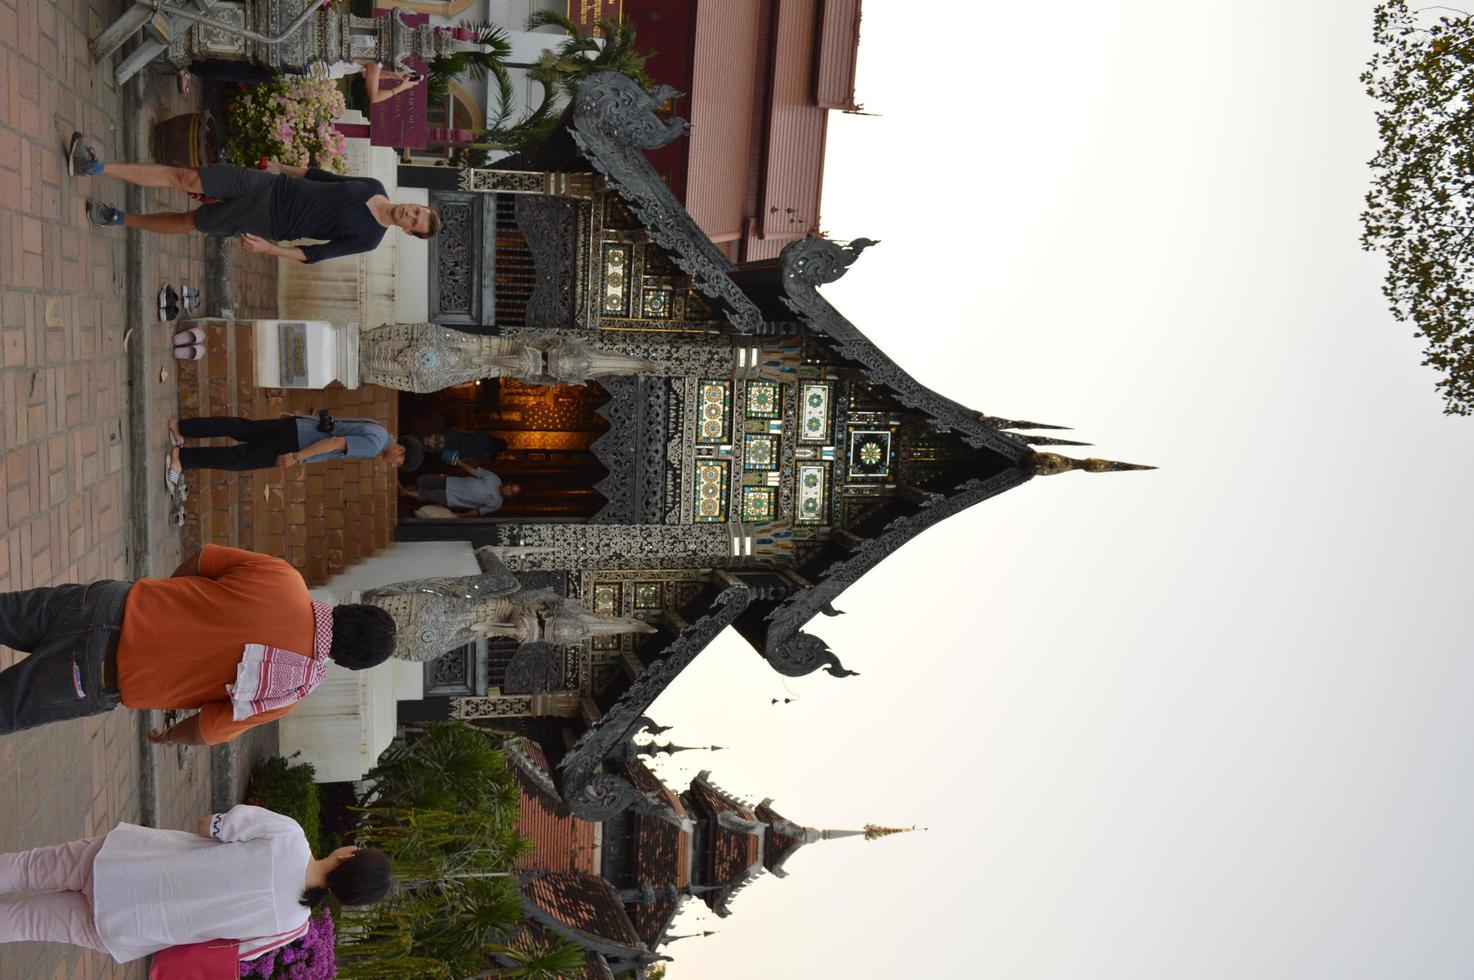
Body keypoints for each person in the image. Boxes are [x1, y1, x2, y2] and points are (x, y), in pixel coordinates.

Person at [0, 544, 397, 744]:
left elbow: (203, 557)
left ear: (349, 608)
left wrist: (167, 597)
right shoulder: (287, 689)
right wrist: (169, 737)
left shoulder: (284, 578)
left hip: (106, 602)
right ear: (345, 662)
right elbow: (207, 731)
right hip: (93, 675)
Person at [0, 803, 391, 963]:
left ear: (347, 855)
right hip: (129, 926)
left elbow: (209, 826)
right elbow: (225, 952)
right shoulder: (291, 927)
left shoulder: (289, 836)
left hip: (127, 861)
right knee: (23, 923)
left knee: (27, 868)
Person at [68, 133, 440, 263]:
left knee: (191, 221)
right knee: (188, 177)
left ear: (408, 232)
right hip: (269, 187)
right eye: (417, 209)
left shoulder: (369, 239)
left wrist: (269, 250)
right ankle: (95, 167)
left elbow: (315, 254)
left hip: (269, 222)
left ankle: (116, 218)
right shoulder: (374, 186)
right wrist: (280, 167)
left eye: (413, 221)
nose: (410, 213)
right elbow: (321, 177)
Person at [167, 415, 405, 480]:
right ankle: (184, 458)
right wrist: (297, 456)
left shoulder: (379, 429)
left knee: (240, 427)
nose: (394, 466)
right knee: (239, 459)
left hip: (298, 425)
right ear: (401, 451)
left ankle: (182, 427)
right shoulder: (374, 445)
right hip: (298, 443)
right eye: (399, 463)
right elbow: (336, 442)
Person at [400, 459, 521, 516]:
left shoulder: (497, 504)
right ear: (508, 483)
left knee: (426, 495)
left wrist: (463, 515)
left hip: (452, 498)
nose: (509, 490)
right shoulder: (495, 479)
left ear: (511, 496)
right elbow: (474, 472)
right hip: (451, 482)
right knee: (425, 482)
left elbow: (478, 511)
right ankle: (404, 489)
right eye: (511, 487)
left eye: (512, 492)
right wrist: (459, 463)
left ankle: (404, 492)